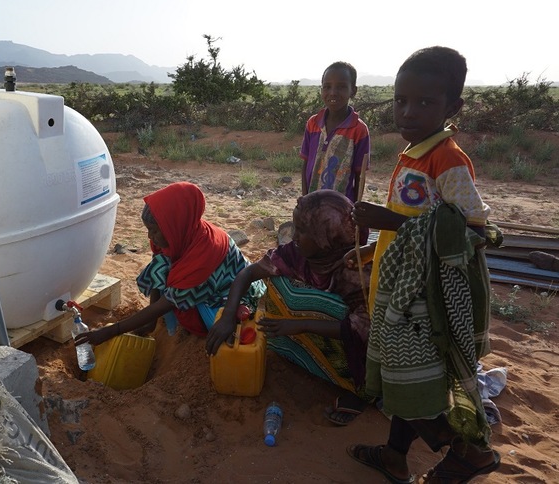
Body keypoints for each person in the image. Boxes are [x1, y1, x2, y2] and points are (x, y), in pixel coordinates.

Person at [346, 46, 501, 483]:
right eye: (400, 100)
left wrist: (388, 220)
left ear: (453, 107)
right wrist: (371, 246)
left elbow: (473, 229)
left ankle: (468, 452)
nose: (408, 112)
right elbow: (420, 222)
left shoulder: (447, 160)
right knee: (406, 380)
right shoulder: (414, 152)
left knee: (404, 383)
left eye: (425, 103)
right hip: (401, 287)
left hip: (424, 300)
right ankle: (395, 457)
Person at [206, 189, 372, 426]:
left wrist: (301, 324)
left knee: (325, 307)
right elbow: (248, 273)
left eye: (302, 231)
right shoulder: (297, 254)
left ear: (326, 237)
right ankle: (296, 352)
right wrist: (228, 315)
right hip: (301, 334)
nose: (293, 237)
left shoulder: (357, 271)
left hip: (357, 349)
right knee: (281, 283)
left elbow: (367, 330)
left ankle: (358, 391)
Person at [74, 181, 265, 347]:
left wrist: (111, 331)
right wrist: (150, 322)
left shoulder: (203, 253)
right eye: (148, 230)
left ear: (173, 225)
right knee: (163, 267)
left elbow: (166, 304)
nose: (150, 237)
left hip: (232, 293)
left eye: (154, 231)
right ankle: (164, 325)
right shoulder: (182, 235)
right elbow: (159, 269)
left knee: (216, 327)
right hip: (201, 285)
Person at [300, 61, 370, 201]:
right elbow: (305, 164)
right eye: (327, 87)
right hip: (312, 203)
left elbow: (359, 175)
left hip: (341, 209)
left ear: (353, 91)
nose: (333, 93)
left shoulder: (359, 130)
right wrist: (304, 198)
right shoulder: (313, 124)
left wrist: (353, 209)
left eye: (341, 87)